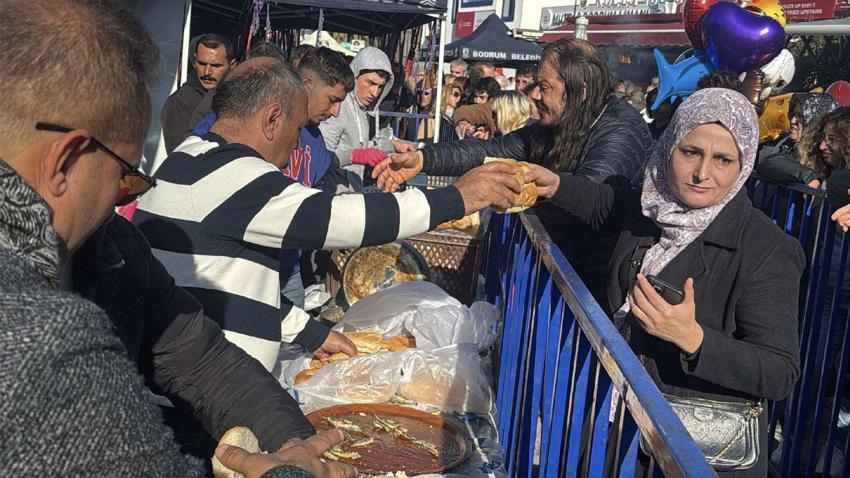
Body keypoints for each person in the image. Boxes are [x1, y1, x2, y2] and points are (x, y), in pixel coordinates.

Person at [0, 1, 354, 476]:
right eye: (126, 177)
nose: (122, 201)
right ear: (64, 164)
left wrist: (294, 441)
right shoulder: (42, 338)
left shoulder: (112, 251)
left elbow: (203, 357)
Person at [133, 57, 524, 373]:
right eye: (298, 127)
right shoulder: (235, 176)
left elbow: (224, 288)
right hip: (198, 393)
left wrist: (308, 333)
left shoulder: (189, 156)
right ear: (272, 118)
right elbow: (342, 219)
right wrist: (457, 198)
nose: (297, 145)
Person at [526, 88, 803, 476]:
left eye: (723, 160)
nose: (702, 173)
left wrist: (693, 339)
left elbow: (779, 372)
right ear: (669, 146)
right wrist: (553, 184)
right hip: (621, 430)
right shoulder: (653, 207)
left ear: (743, 165)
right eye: (690, 152)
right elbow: (606, 203)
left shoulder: (766, 249)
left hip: (692, 455)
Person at [374, 39, 653, 306]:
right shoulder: (556, 122)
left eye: (545, 87)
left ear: (581, 92)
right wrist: (424, 158)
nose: (534, 95)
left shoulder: (620, 131)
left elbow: (589, 197)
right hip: (557, 272)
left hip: (596, 288)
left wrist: (516, 193)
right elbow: (489, 150)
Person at [319, 47, 414, 179]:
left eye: (381, 86)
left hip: (351, 192)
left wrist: (392, 145)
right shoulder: (338, 108)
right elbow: (320, 156)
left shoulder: (361, 108)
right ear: (355, 75)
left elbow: (360, 145)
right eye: (370, 83)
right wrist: (354, 156)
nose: (375, 92)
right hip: (330, 194)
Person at [162, 33, 236, 153]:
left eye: (216, 66)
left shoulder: (235, 97)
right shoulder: (179, 103)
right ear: (194, 62)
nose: (207, 72)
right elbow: (180, 157)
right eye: (202, 63)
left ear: (232, 65)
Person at [756, 94, 841, 187]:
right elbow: (768, 165)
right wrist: (808, 176)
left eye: (801, 116)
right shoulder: (788, 143)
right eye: (793, 114)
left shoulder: (830, 149)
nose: (793, 121)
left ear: (815, 121)